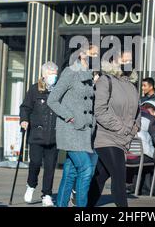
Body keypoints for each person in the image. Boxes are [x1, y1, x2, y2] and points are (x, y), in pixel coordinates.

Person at [88, 52, 141, 207]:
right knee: (119, 178)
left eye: (131, 59)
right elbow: (100, 111)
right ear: (113, 61)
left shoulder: (131, 86)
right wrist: (122, 128)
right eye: (124, 59)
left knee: (100, 177)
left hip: (123, 139)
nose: (128, 62)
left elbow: (137, 113)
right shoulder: (105, 81)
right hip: (106, 138)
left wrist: (134, 129)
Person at [47, 45, 96, 207]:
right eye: (92, 52)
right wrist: (70, 117)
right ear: (81, 54)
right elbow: (52, 100)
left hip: (85, 132)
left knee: (70, 173)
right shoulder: (70, 72)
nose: (96, 55)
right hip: (70, 130)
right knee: (86, 169)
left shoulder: (89, 75)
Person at [20, 62, 59, 207]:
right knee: (35, 163)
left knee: (50, 167)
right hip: (37, 134)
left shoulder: (59, 90)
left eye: (55, 73)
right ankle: (31, 185)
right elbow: (25, 107)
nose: (53, 76)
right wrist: (24, 120)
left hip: (54, 136)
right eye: (51, 73)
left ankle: (47, 194)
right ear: (43, 74)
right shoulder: (34, 89)